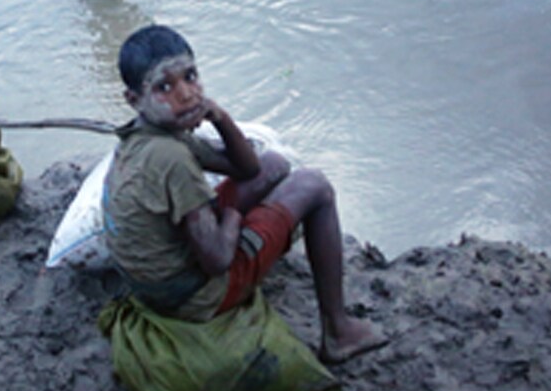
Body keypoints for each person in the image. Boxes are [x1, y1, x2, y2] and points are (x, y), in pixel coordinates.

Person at [103, 25, 388, 364]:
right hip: (196, 296)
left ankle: (335, 323)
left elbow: (250, 169)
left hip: (162, 280)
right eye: (165, 87)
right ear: (134, 100)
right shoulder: (172, 159)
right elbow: (217, 260)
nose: (186, 94)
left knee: (275, 164)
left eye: (190, 77)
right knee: (315, 186)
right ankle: (338, 332)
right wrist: (235, 214)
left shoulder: (151, 133)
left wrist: (219, 116)